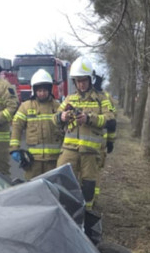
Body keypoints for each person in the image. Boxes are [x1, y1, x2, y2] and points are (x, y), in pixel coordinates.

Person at [54, 56, 115, 209]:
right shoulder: (69, 98)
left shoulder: (101, 98)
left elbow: (110, 120)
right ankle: (66, 213)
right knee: (63, 182)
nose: (81, 84)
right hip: (69, 151)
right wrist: (61, 117)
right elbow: (54, 118)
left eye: (84, 80)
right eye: (78, 81)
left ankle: (87, 218)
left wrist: (89, 118)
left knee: (89, 188)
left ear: (90, 79)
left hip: (90, 152)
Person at [10, 69, 64, 179]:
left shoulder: (58, 106)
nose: (42, 93)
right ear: (34, 90)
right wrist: (14, 149)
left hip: (54, 161)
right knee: (32, 191)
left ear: (49, 90)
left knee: (53, 190)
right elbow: (17, 127)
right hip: (33, 162)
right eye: (39, 91)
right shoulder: (26, 107)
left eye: (45, 90)